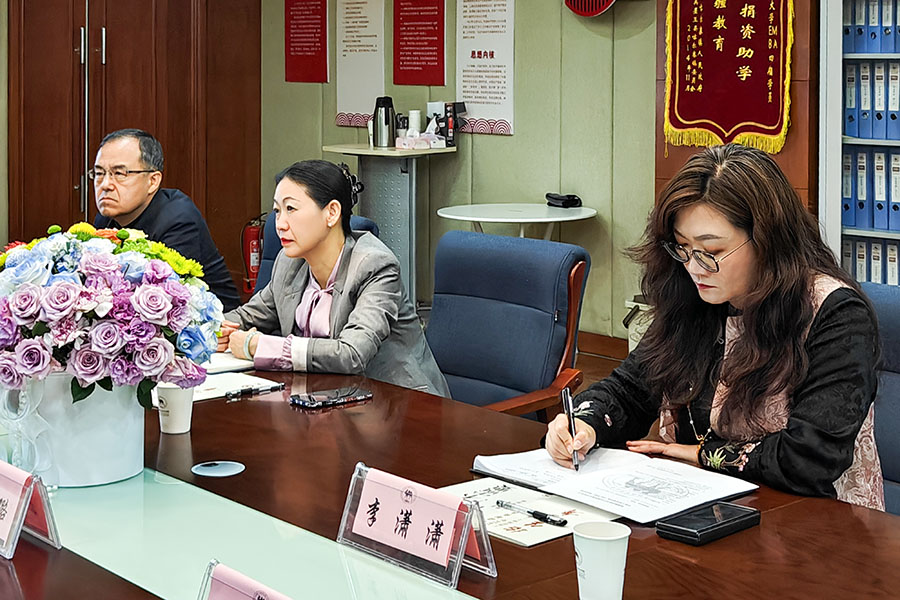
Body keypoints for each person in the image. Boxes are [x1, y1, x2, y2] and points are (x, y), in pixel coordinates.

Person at [546, 143, 884, 510]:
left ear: (767, 240)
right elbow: (630, 390)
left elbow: (810, 457)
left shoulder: (835, 315)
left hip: (812, 519)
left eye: (712, 252)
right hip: (700, 504)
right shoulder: (695, 299)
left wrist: (701, 455)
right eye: (682, 248)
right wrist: (584, 423)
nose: (694, 268)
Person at [218, 159, 450, 397]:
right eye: (277, 211)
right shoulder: (289, 263)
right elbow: (246, 317)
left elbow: (352, 354)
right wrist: (210, 330)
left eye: (291, 209)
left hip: (399, 404)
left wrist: (257, 345)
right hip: (328, 400)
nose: (280, 224)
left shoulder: (375, 266)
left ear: (331, 213)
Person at [91, 128, 240, 311]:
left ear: (153, 181)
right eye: (99, 173)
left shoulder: (178, 219)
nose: (105, 185)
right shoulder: (106, 219)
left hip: (211, 322)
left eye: (120, 173)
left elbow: (168, 300)